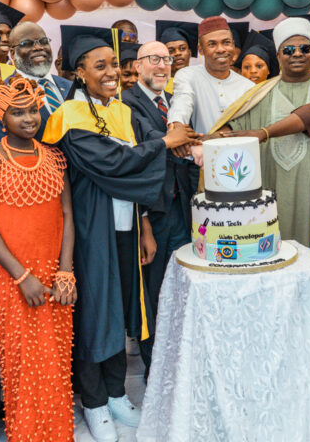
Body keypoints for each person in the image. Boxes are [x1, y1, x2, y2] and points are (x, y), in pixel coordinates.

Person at [42, 25, 199, 442]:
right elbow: (114, 163)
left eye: (114, 64)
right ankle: (93, 402)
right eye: (100, 66)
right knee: (96, 313)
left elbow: (145, 157)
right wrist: (166, 143)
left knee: (120, 309)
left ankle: (115, 392)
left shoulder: (121, 112)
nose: (112, 72)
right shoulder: (69, 116)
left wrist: (145, 225)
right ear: (80, 72)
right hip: (91, 229)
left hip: (127, 228)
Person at [205, 17, 310, 329]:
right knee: (274, 278)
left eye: (304, 48)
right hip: (269, 207)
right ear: (278, 54)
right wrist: (212, 138)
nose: (297, 54)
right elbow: (234, 127)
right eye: (289, 49)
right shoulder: (258, 94)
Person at [0, 76, 75, 442]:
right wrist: (21, 276)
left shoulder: (55, 157)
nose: (29, 118)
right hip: (11, 274)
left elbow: (67, 216)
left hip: (54, 270)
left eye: (33, 110)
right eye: (18, 112)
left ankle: (58, 434)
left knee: (55, 357)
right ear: (0, 116)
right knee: (22, 359)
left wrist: (66, 271)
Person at [122, 41, 199, 373]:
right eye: (154, 59)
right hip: (151, 214)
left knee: (181, 285)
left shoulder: (176, 103)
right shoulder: (126, 103)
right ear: (137, 65)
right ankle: (156, 368)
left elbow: (184, 140)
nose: (162, 65)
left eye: (167, 60)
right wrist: (178, 141)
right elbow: (147, 144)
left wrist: (184, 140)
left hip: (183, 208)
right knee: (152, 292)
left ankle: (182, 360)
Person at [0, 21, 71, 143]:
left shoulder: (71, 86)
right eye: (27, 44)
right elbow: (1, 146)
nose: (38, 47)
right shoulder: (1, 94)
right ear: (13, 54)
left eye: (43, 41)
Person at [168, 16, 254, 136]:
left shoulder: (248, 87)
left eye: (226, 42)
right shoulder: (188, 75)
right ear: (201, 50)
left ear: (233, 45)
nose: (221, 49)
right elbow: (182, 101)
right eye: (212, 44)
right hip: (200, 147)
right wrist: (177, 126)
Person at [155, 20, 198, 94]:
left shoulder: (200, 83)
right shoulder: (157, 88)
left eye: (182, 48)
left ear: (189, 53)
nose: (177, 53)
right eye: (171, 51)